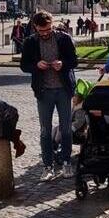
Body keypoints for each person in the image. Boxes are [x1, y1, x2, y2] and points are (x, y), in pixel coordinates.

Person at [20, 11, 78, 180]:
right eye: (41, 31)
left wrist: (63, 64)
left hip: (63, 89)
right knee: (45, 130)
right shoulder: (30, 42)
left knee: (66, 128)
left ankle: (66, 162)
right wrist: (36, 65)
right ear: (35, 28)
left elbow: (74, 61)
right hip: (43, 90)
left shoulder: (64, 39)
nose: (45, 34)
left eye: (48, 30)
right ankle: (48, 166)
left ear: (52, 25)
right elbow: (24, 65)